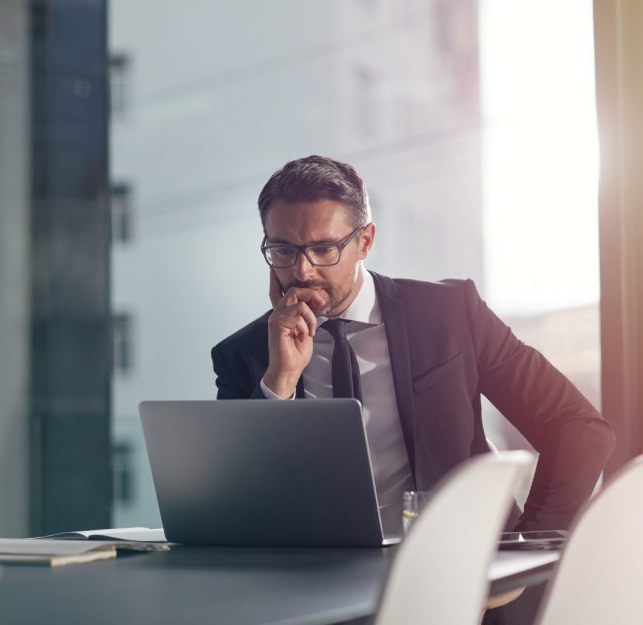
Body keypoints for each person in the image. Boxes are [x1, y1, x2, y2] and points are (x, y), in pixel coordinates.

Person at [210, 156, 615, 623]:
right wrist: (278, 382)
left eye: (324, 249)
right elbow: (236, 511)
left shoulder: (449, 314)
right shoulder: (244, 356)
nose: (301, 271)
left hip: (467, 595)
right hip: (321, 603)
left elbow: (579, 427)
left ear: (365, 241)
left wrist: (521, 557)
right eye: (282, 250)